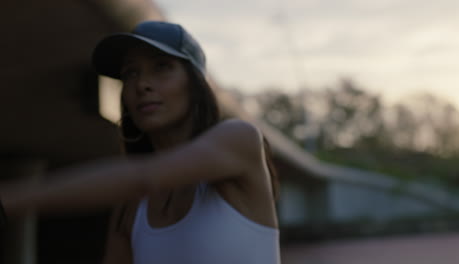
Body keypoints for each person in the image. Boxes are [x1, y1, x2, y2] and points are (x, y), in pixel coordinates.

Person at [0, 21, 280, 263]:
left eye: (161, 67)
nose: (141, 84)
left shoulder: (240, 138)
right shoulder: (130, 207)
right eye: (130, 73)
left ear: (196, 83)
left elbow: (143, 177)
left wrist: (10, 198)